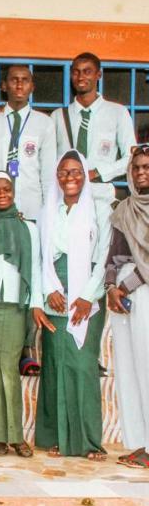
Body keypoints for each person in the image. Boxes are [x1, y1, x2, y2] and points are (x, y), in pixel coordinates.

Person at [0, 171, 52, 457]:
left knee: (8, 371)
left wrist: (36, 304)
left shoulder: (28, 228)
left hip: (15, 306)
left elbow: (35, 271)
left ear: (13, 192)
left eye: (6, 189)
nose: (1, 194)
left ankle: (15, 435)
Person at [35, 150, 110, 461]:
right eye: (64, 172)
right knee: (54, 364)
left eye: (76, 171)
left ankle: (88, 441)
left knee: (81, 364)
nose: (70, 177)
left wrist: (87, 296)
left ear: (85, 175)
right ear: (57, 176)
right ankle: (56, 438)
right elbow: (38, 256)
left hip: (86, 293)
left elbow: (104, 255)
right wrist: (48, 290)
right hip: (54, 291)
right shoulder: (46, 212)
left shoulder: (99, 211)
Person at [106, 144, 149, 469]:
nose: (140, 173)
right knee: (129, 370)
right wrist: (111, 288)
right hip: (124, 300)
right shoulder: (124, 209)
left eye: (146, 167)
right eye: (136, 168)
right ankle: (140, 443)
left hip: (141, 293)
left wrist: (125, 286)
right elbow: (115, 253)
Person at [51, 52, 136, 205]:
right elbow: (49, 160)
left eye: (87, 71)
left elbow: (130, 158)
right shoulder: (57, 116)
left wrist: (97, 173)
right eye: (76, 72)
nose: (81, 77)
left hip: (101, 197)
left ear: (99, 75)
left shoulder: (118, 112)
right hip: (65, 198)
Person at [0, 65, 56, 220]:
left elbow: (48, 173)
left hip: (32, 207)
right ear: (3, 86)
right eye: (14, 80)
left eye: (25, 80)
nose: (20, 85)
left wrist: (49, 211)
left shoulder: (45, 123)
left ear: (32, 87)